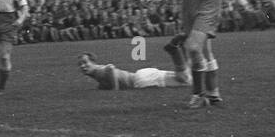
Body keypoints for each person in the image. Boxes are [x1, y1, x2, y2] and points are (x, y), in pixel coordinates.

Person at [77, 36, 218, 91]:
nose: (83, 66)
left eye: (85, 62)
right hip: (141, 76)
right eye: (80, 64)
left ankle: (176, 50)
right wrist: (102, 87)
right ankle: (180, 49)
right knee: (186, 78)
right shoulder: (96, 74)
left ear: (93, 61)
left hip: (140, 81)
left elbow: (110, 69)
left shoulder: (98, 70)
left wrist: (115, 89)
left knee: (186, 80)